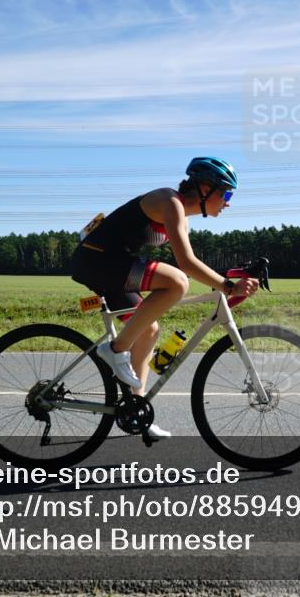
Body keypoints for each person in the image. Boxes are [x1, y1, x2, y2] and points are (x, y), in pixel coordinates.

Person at [71, 157, 260, 442]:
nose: (229, 202)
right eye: (227, 193)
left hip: (110, 263)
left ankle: (136, 410)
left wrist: (228, 281)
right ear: (206, 188)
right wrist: (227, 286)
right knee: (176, 282)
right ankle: (116, 349)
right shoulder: (170, 202)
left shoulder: (179, 214)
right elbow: (186, 263)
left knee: (149, 330)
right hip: (98, 260)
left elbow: (193, 260)